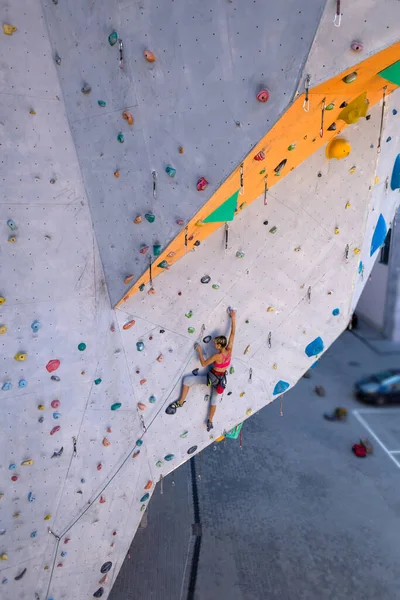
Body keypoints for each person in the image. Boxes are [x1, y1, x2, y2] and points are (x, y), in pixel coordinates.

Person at [166, 308, 236, 431]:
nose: (214, 345)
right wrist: (233, 317)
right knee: (214, 400)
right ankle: (210, 421)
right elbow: (233, 334)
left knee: (187, 380)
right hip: (221, 380)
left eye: (215, 344)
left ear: (219, 345)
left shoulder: (217, 356)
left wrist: (198, 349)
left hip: (212, 378)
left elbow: (203, 364)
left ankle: (181, 402)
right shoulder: (229, 349)